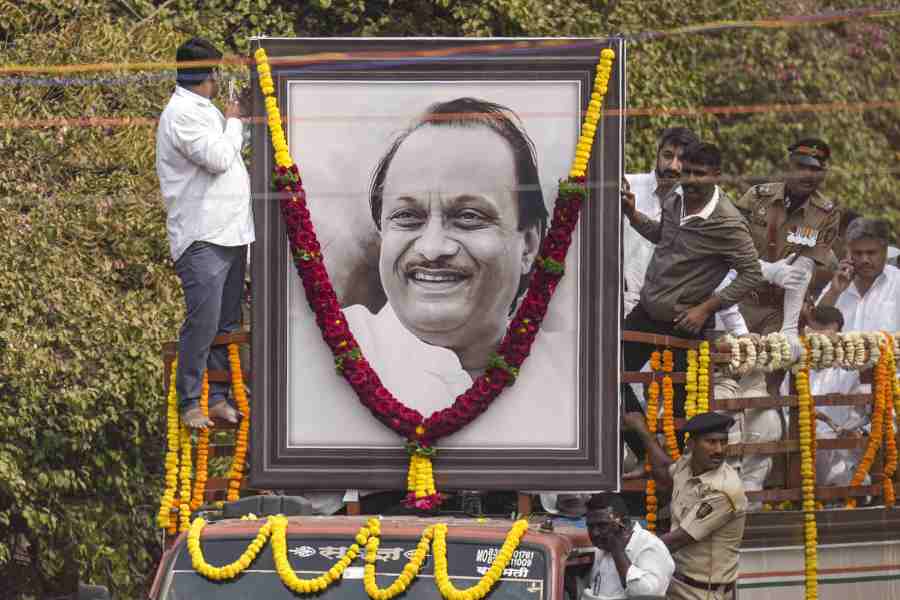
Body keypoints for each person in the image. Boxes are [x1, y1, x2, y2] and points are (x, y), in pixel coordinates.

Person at [344, 98, 575, 436]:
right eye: (407, 217)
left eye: (469, 217)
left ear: (528, 244)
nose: (432, 248)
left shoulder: (572, 371)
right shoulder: (325, 352)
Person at [620, 142, 764, 456]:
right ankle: (652, 458)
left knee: (684, 416)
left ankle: (683, 480)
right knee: (608, 376)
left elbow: (752, 274)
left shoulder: (729, 222)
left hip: (684, 325)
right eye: (687, 172)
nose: (691, 179)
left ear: (716, 175)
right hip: (646, 313)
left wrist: (706, 308)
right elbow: (664, 235)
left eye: (700, 174)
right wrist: (633, 216)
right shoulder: (675, 197)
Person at [156, 38, 252, 428]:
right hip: (202, 237)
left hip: (231, 232)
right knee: (203, 321)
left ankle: (216, 397)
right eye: (215, 72)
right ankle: (190, 402)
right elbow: (217, 158)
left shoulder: (204, 110)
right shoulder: (181, 113)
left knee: (227, 323)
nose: (217, 79)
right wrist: (234, 121)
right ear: (207, 73)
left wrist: (230, 122)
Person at [624, 411, 746, 600]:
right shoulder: (688, 465)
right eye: (711, 442)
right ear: (691, 445)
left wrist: (623, 549)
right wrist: (641, 430)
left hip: (703, 593)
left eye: (723, 442)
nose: (719, 450)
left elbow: (676, 541)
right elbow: (665, 470)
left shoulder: (723, 490)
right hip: (676, 584)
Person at [734, 138, 842, 336]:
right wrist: (767, 271)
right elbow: (730, 249)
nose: (807, 174)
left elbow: (806, 265)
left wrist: (789, 327)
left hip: (783, 310)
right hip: (740, 300)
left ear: (823, 174)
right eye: (801, 166)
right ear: (788, 166)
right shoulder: (756, 197)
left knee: (772, 363)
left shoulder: (827, 214)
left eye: (815, 169)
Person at [801, 306, 865, 489]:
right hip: (802, 441)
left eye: (828, 334)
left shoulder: (851, 368)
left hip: (842, 442)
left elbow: (861, 414)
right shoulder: (794, 365)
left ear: (838, 334)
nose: (822, 340)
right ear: (807, 332)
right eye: (815, 333)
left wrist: (852, 427)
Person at [579, 494, 674, 600]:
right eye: (590, 526)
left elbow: (645, 595)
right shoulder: (603, 546)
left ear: (624, 524)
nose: (595, 533)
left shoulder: (651, 548)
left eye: (602, 525)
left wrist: (617, 551)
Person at [817, 217, 900, 333]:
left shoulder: (896, 282)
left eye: (871, 253)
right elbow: (814, 326)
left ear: (885, 252)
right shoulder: (840, 281)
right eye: (858, 253)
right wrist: (834, 292)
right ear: (849, 253)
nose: (864, 260)